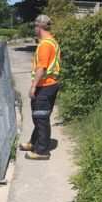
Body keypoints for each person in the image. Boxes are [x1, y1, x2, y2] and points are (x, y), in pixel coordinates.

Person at [20, 15, 61, 160]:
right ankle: (34, 142)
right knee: (40, 116)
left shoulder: (45, 45)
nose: (34, 29)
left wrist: (33, 86)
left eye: (35, 26)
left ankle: (42, 151)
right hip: (51, 84)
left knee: (41, 118)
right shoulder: (52, 42)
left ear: (39, 27)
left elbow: (41, 68)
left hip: (44, 86)